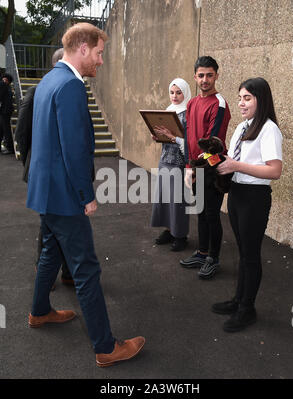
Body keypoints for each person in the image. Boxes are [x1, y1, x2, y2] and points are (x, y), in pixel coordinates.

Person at [26, 22, 145, 367]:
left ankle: (39, 311)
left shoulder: (49, 80)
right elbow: (74, 150)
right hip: (64, 195)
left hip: (45, 191)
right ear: (81, 49)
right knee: (86, 269)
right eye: (99, 52)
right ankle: (106, 348)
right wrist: (85, 194)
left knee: (51, 252)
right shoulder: (71, 87)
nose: (101, 60)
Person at [212, 77, 283, 332]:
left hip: (255, 198)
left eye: (247, 98)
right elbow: (232, 158)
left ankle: (247, 310)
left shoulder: (268, 129)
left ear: (260, 100)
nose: (241, 103)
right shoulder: (242, 127)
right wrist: (213, 158)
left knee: (250, 255)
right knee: (242, 251)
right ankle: (239, 300)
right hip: (238, 194)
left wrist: (235, 165)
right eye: (240, 97)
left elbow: (275, 171)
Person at [15, 48, 73, 287]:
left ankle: (69, 272)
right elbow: (22, 134)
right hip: (46, 174)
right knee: (49, 226)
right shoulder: (36, 92)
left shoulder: (72, 89)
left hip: (67, 176)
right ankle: (46, 276)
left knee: (68, 225)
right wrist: (33, 164)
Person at [180, 56, 231, 279]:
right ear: (195, 77)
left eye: (210, 75)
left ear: (217, 75)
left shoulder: (219, 103)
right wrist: (188, 166)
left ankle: (213, 258)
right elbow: (189, 137)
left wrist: (195, 168)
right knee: (200, 212)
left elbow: (212, 143)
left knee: (211, 214)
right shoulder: (191, 103)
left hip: (213, 169)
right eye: (201, 75)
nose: (205, 80)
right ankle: (202, 253)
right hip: (195, 168)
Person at [151, 78, 191, 251]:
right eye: (172, 92)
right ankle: (169, 230)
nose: (174, 96)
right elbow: (167, 137)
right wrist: (158, 137)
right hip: (165, 161)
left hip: (180, 164)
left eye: (179, 92)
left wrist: (173, 138)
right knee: (165, 199)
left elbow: (189, 142)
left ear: (186, 93)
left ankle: (180, 235)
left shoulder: (189, 113)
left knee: (179, 201)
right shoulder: (168, 110)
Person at [0, 73, 14, 155]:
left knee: (5, 129)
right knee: (2, 128)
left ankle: (10, 147)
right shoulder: (8, 87)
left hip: (5, 111)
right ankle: (9, 147)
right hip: (6, 110)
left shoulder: (4, 85)